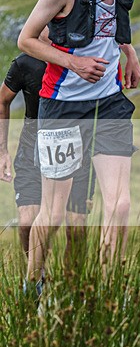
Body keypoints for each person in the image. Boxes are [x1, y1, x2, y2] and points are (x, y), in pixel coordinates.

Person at [16, 0, 140, 297]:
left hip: (108, 102)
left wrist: (129, 52)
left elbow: (112, 25)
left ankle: (103, 293)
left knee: (119, 207)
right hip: (63, 105)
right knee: (52, 216)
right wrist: (75, 62)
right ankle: (32, 284)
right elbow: (26, 39)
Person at [0, 53, 96, 289]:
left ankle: (70, 289)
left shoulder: (83, 59)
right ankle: (37, 279)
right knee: (27, 222)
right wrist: (2, 150)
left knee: (77, 226)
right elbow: (3, 100)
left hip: (76, 150)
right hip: (32, 148)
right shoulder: (25, 63)